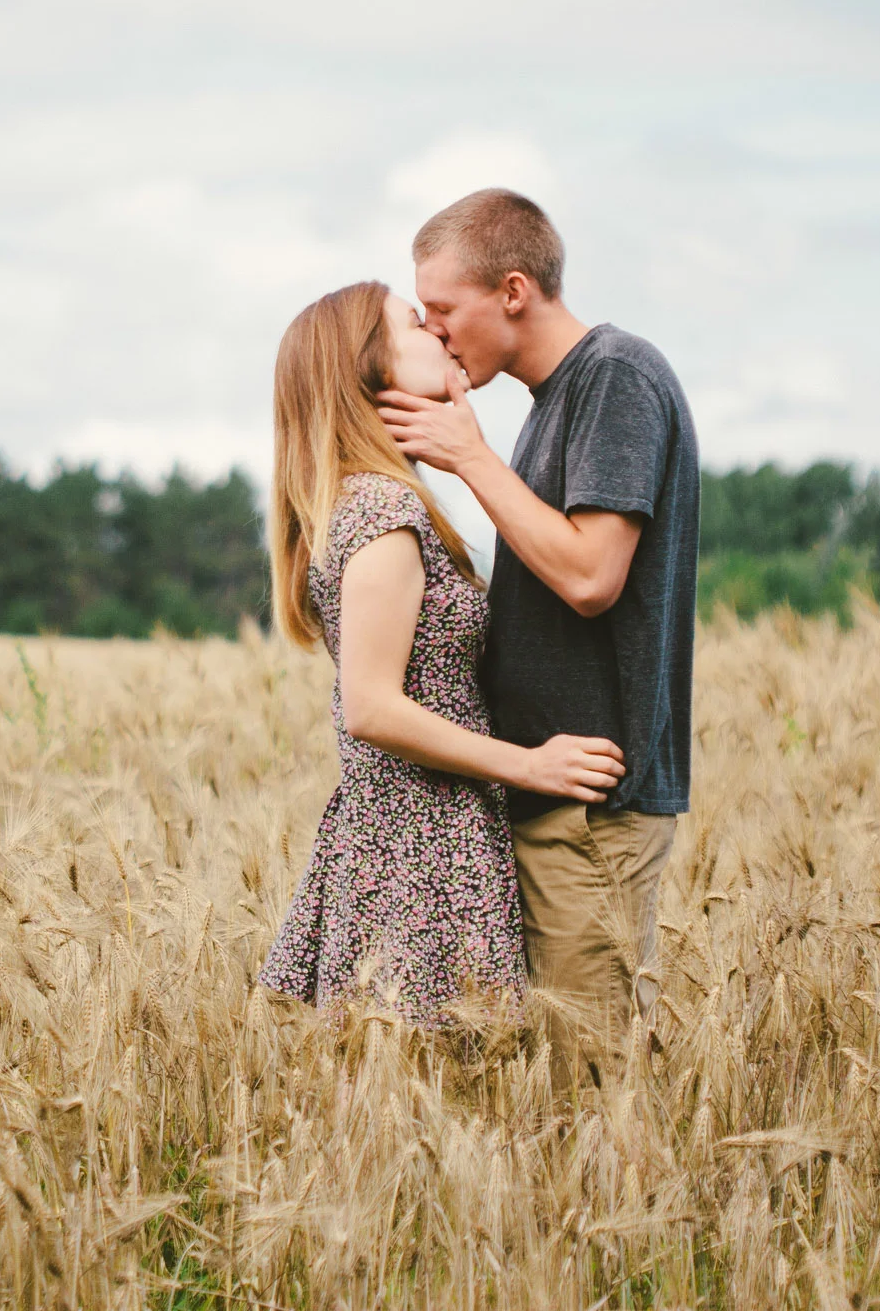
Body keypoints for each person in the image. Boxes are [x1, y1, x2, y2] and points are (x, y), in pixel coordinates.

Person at [378, 189, 699, 1081]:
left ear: (513, 290)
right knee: (555, 1090)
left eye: (444, 312)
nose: (436, 335)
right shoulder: (555, 401)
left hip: (591, 804)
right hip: (549, 797)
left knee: (591, 1093)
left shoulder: (617, 377)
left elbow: (593, 577)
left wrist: (469, 457)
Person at [255, 280, 626, 1028]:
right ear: (372, 371)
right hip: (420, 849)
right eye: (412, 325)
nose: (437, 331)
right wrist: (530, 764)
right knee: (437, 1088)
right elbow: (371, 707)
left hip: (421, 832)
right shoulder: (386, 517)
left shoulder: (371, 505)